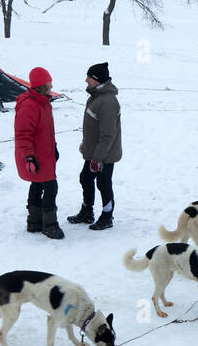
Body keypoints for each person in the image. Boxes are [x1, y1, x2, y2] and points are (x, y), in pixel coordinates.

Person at [67, 62, 121, 231]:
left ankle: (107, 216)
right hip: (94, 152)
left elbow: (108, 135)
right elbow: (94, 128)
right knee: (85, 178)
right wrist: (86, 145)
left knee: (103, 183)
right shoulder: (97, 96)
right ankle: (87, 211)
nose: (86, 80)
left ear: (97, 80)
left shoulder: (107, 101)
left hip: (104, 154)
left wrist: (97, 158)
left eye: (89, 77)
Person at [14, 66, 63, 239]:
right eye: (48, 83)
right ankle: (49, 225)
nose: (51, 85)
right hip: (36, 156)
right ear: (41, 85)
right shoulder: (29, 105)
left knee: (37, 184)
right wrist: (28, 156)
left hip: (45, 153)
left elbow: (47, 131)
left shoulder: (43, 102)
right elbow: (22, 134)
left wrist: (54, 147)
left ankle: (34, 222)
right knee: (50, 186)